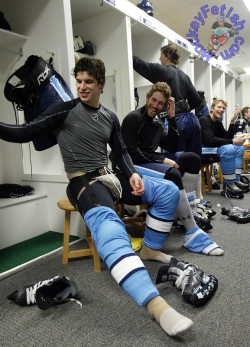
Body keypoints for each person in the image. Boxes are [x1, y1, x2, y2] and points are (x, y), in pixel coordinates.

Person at [0, 56, 194, 337]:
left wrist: (132, 174)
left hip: (110, 177)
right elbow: (24, 132)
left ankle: (149, 249)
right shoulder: (62, 111)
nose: (82, 86)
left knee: (167, 191)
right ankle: (156, 306)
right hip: (82, 181)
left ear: (101, 84)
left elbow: (121, 152)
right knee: (111, 229)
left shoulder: (110, 117)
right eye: (78, 81)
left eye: (88, 81)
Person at [121, 82, 223, 256]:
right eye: (153, 100)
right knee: (172, 173)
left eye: (160, 103)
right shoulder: (134, 118)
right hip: (131, 163)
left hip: (147, 160)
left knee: (192, 159)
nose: (155, 105)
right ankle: (192, 231)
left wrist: (171, 117)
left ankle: (187, 214)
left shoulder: (159, 121)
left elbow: (172, 145)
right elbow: (131, 153)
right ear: (147, 98)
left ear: (165, 105)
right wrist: (162, 159)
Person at [133, 43, 203, 157]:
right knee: (193, 161)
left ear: (167, 56)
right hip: (193, 122)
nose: (160, 58)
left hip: (176, 122)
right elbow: (196, 101)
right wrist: (183, 106)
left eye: (161, 55)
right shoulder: (185, 76)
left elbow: (139, 64)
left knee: (176, 162)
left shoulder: (162, 70)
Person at [199, 98, 249, 199]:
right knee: (229, 148)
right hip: (201, 151)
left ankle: (235, 180)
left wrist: (232, 122)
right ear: (212, 108)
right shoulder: (204, 120)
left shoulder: (217, 122)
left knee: (239, 148)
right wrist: (232, 141)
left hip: (212, 150)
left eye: (223, 108)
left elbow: (227, 137)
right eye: (219, 107)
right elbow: (209, 141)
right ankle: (229, 186)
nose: (221, 109)